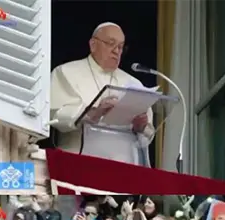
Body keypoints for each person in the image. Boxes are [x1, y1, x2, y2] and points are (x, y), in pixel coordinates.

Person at [50, 22, 155, 165]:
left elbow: (148, 134)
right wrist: (92, 113)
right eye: (111, 44)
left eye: (120, 46)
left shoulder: (134, 83)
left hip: (125, 167)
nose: (116, 51)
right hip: (79, 163)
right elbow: (54, 115)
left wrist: (141, 127)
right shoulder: (65, 72)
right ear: (93, 44)